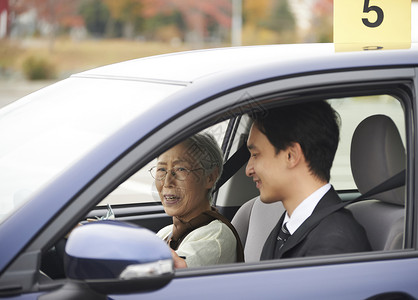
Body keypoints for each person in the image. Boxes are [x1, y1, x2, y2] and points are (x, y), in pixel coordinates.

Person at [245, 101, 371, 260]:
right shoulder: (288, 225)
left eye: (256, 154)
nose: (248, 170)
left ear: (291, 156)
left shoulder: (335, 242)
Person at [152, 133, 244, 268]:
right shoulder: (166, 233)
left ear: (210, 178)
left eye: (181, 169)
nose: (167, 182)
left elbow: (165, 273)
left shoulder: (215, 237)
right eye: (161, 169)